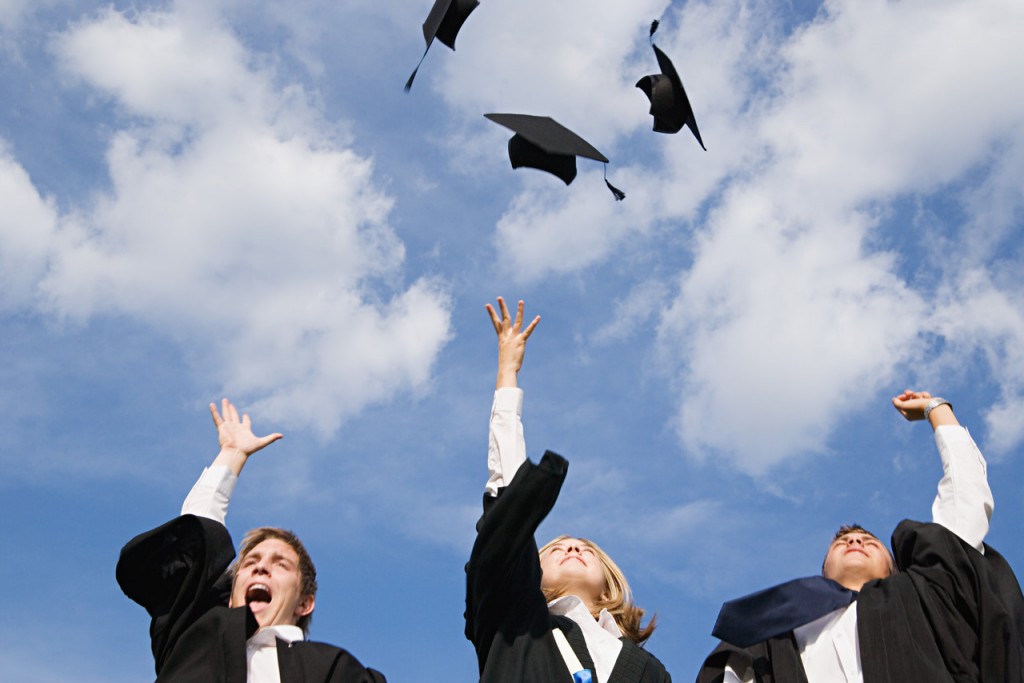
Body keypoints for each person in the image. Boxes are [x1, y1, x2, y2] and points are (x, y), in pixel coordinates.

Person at [697, 391, 1024, 683]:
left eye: (869, 541)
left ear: (894, 567)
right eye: (842, 542)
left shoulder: (928, 596)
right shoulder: (774, 634)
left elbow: (964, 500)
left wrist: (936, 409)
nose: (854, 542)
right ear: (824, 570)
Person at [465, 297, 672, 683]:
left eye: (586, 549)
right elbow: (510, 504)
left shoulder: (650, 670)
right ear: (530, 570)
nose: (573, 548)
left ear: (610, 582)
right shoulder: (516, 624)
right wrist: (507, 374)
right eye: (556, 548)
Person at [116, 398, 386, 683]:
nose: (261, 567)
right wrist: (232, 455)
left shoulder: (336, 670)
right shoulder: (193, 642)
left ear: (304, 603)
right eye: (250, 562)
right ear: (231, 596)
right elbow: (191, 554)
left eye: (281, 564)